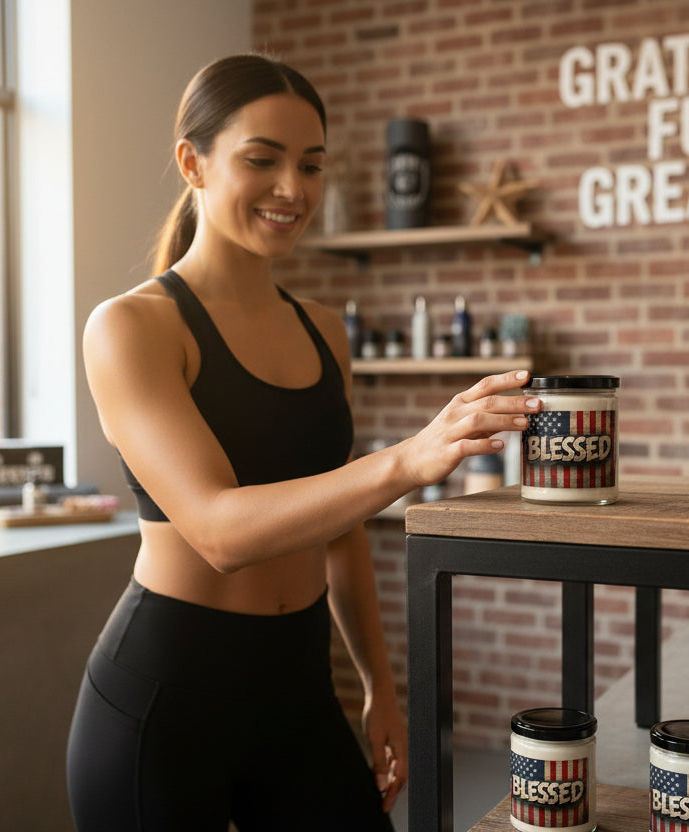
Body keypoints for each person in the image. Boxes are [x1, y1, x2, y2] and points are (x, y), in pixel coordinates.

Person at [66, 54, 540, 831]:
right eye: (263, 159)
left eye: (312, 165)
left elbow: (339, 529)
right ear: (193, 162)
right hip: (167, 696)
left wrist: (379, 687)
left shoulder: (323, 329)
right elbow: (219, 530)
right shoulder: (131, 327)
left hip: (298, 689)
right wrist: (409, 459)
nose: (294, 188)